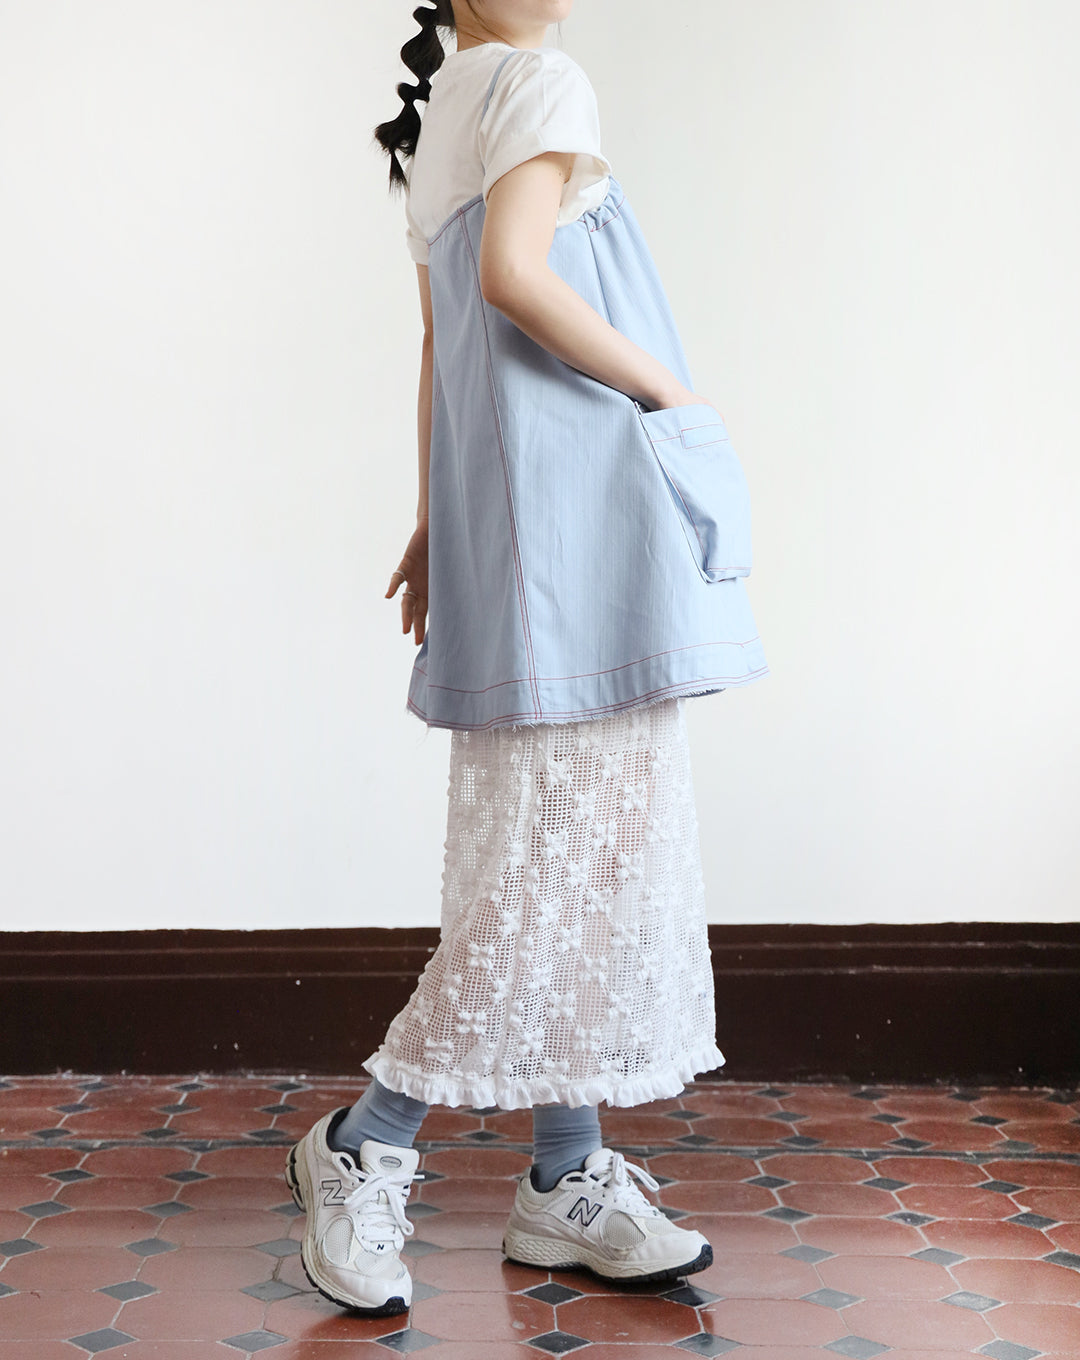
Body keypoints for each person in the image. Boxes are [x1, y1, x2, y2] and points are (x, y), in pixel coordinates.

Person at [285, 0, 770, 1317]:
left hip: (516, 532)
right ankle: (365, 1141)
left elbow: (442, 340)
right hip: (584, 524)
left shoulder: (445, 109)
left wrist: (435, 517)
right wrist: (673, 391)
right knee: (553, 873)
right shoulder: (541, 86)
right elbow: (510, 277)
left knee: (569, 859)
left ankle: (563, 1174)